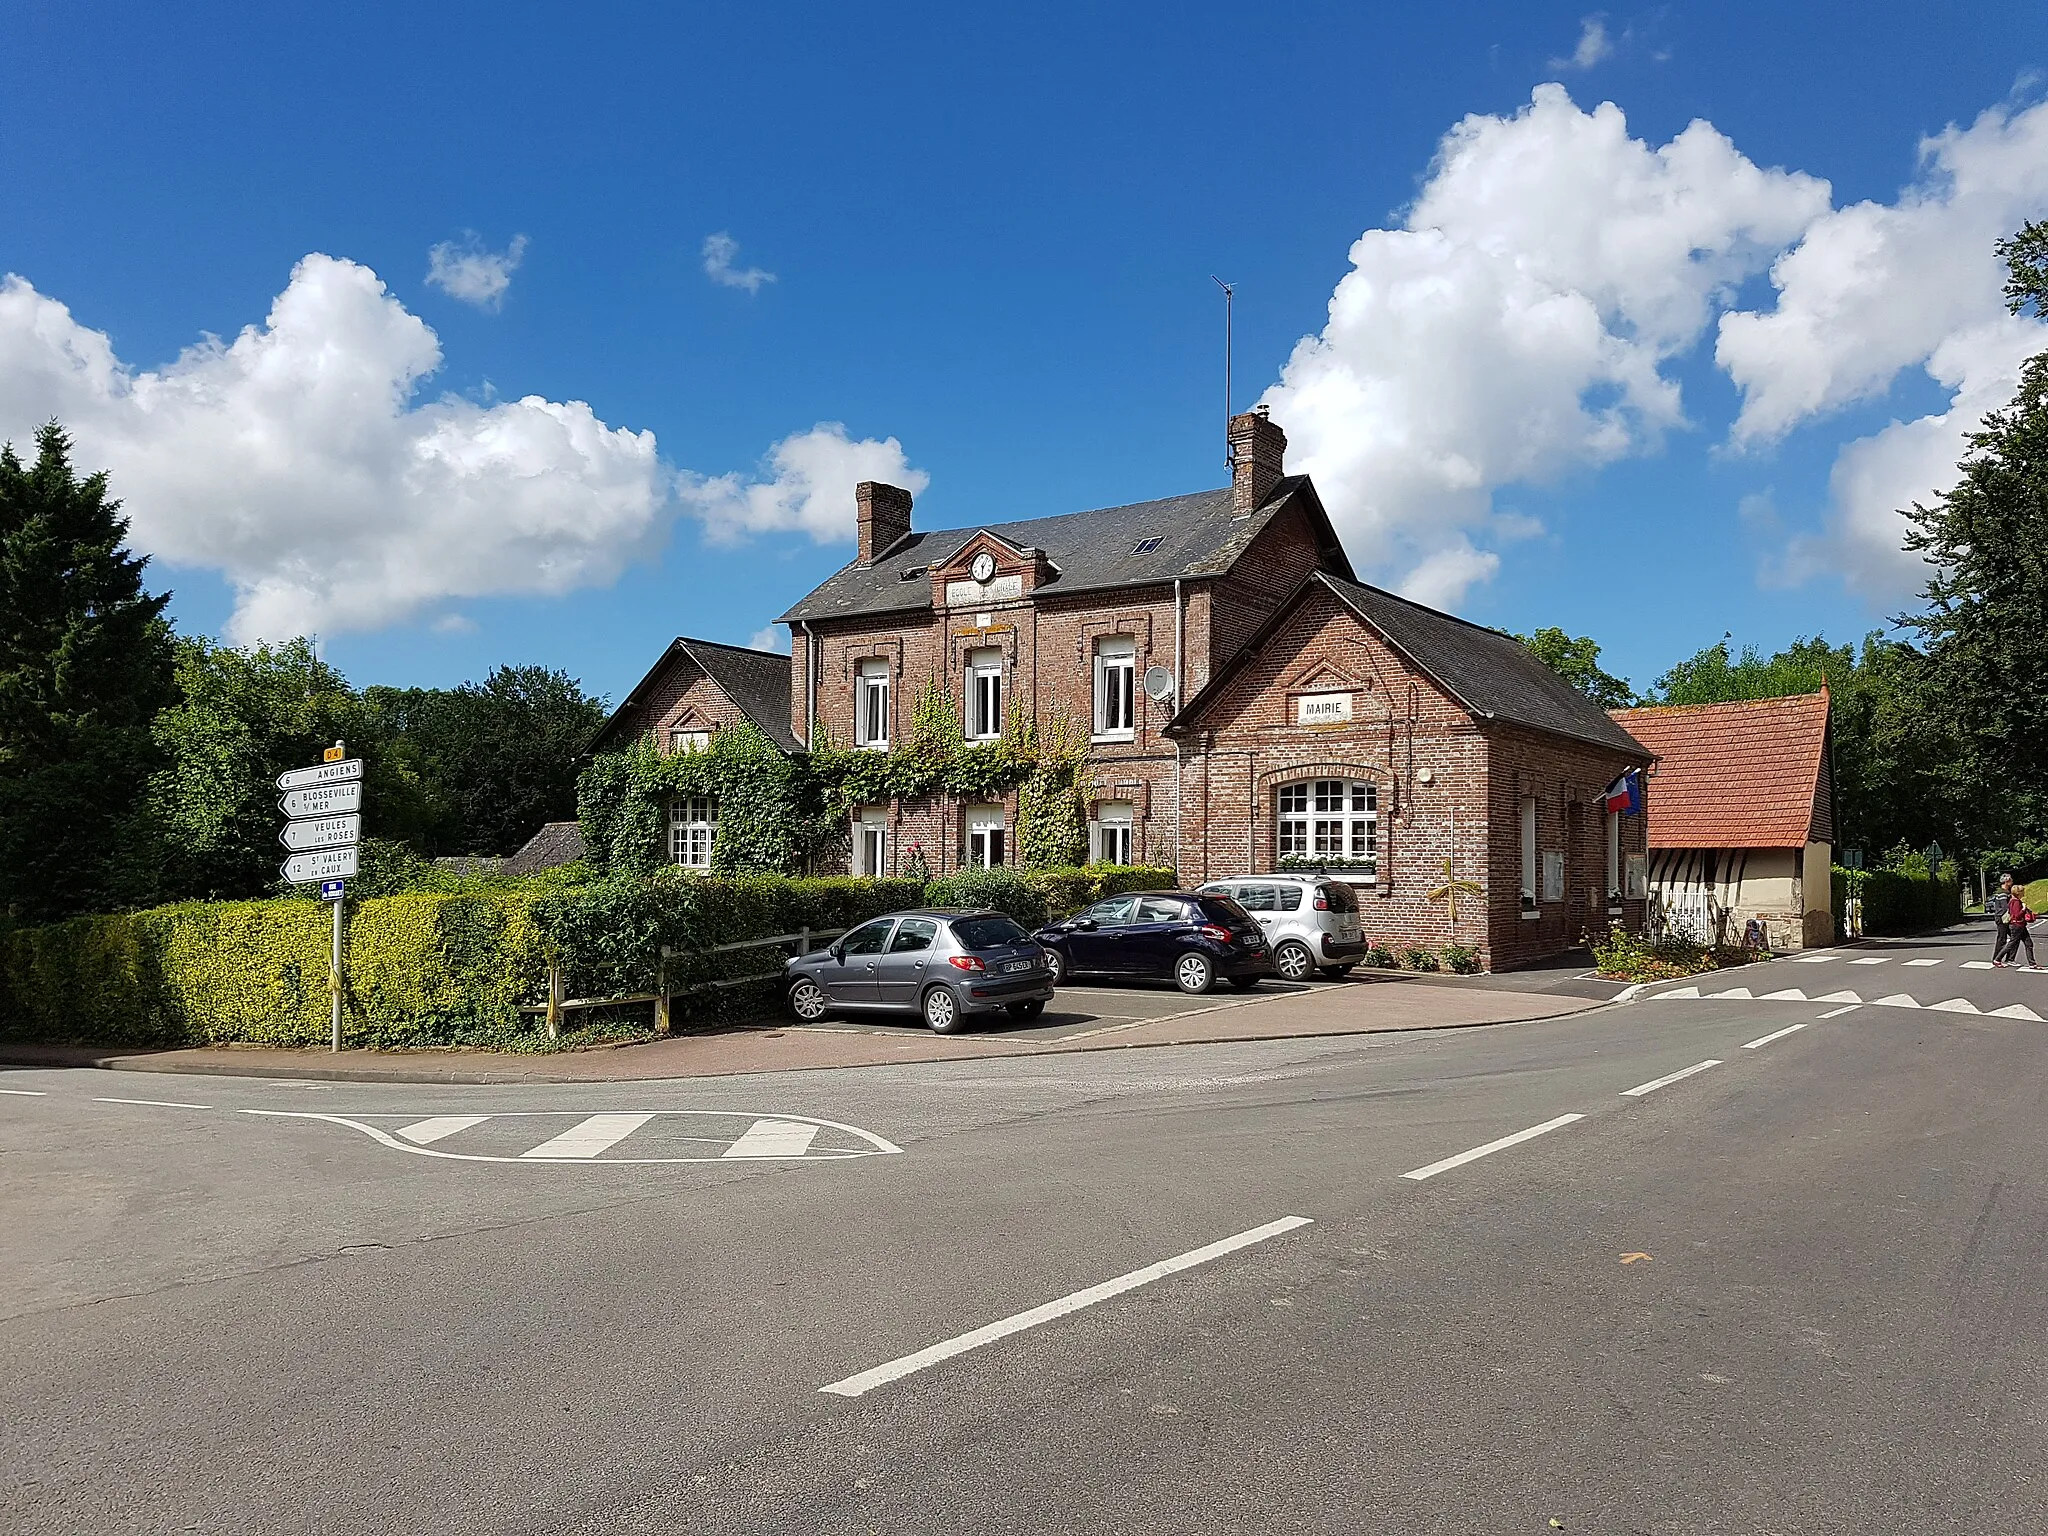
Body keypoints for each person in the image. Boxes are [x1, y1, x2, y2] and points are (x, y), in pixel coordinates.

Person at [2001, 884, 2039, 970]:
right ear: (2018, 893)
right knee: (2012, 943)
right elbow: (2017, 915)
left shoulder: (2013, 900)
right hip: (2017, 925)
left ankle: (2032, 963)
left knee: (2028, 943)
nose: (2024, 893)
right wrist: (2023, 909)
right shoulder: (2016, 902)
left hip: (2020, 925)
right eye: (2022, 892)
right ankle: (1998, 959)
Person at [1993, 873, 2017, 964]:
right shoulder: (2003, 893)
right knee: (2006, 939)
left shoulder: (2000, 892)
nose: (2012, 882)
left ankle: (2000, 958)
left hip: (2000, 917)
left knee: (2005, 938)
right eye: (2011, 880)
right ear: (2006, 881)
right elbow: (2005, 907)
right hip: (2003, 918)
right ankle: (2002, 959)